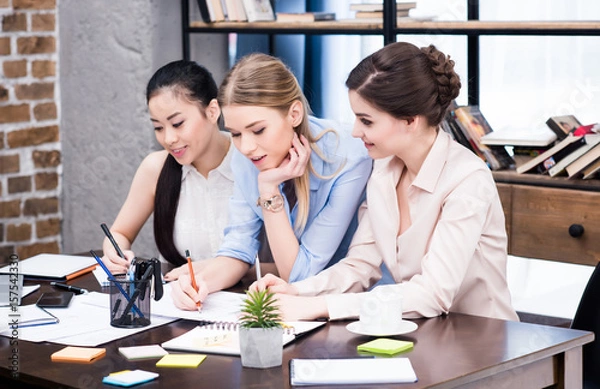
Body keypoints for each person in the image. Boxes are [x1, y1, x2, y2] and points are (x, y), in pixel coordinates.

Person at [251, 42, 519, 322]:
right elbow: (359, 266)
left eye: (366, 121)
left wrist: (321, 307)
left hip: (483, 340)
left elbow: (433, 293)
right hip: (426, 334)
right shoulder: (383, 170)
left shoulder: (467, 179)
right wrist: (295, 292)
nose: (355, 131)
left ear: (410, 121)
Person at [170, 53, 372, 310]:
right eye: (235, 133)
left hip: (353, 306)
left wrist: (268, 188)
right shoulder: (247, 158)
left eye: (258, 130)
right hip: (298, 310)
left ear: (294, 114)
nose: (246, 147)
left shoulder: (349, 157)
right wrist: (196, 284)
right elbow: (237, 250)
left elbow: (299, 275)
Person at [101, 60, 234, 275]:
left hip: (255, 302)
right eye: (158, 127)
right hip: (179, 301)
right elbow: (119, 233)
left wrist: (216, 270)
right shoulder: (156, 169)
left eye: (178, 123)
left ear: (212, 111)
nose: (169, 138)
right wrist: (115, 252)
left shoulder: (250, 161)